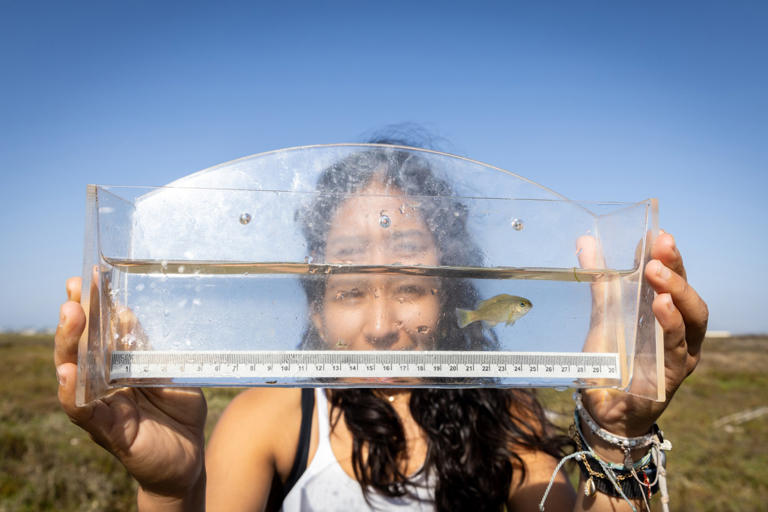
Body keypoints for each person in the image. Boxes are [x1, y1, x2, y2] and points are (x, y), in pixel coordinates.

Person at [54, 141, 708, 511]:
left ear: (451, 299)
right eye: (350, 288)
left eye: (414, 285)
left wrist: (621, 434)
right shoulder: (272, 420)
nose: (380, 326)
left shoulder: (509, 416)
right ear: (315, 308)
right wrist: (166, 491)